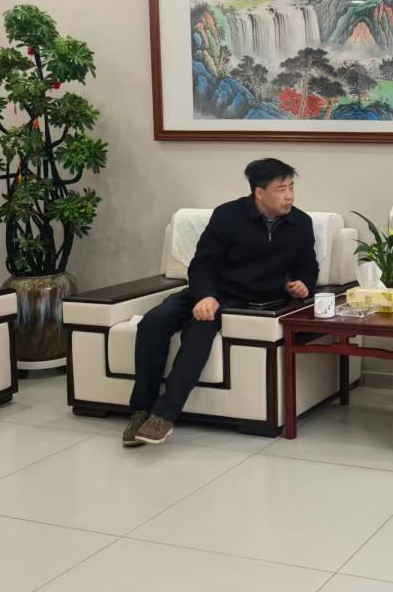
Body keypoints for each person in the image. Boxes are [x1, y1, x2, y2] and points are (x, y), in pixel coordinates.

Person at [123, 158, 318, 446]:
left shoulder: (300, 223)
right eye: (281, 189)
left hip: (247, 301)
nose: (289, 196)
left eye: (291, 187)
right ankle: (140, 410)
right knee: (153, 322)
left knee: (199, 329)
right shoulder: (227, 216)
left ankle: (163, 415)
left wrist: (303, 284)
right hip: (208, 290)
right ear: (259, 193)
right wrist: (205, 295)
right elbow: (202, 263)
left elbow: (308, 266)